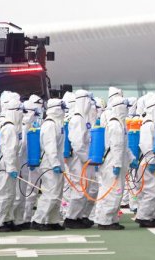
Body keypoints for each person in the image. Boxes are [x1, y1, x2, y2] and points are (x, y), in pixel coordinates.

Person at [94, 88, 129, 230]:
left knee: (114, 190)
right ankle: (105, 220)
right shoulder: (115, 124)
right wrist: (117, 163)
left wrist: (130, 158)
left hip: (114, 160)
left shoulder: (118, 122)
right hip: (113, 161)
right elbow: (116, 146)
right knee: (113, 191)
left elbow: (123, 146)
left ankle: (112, 218)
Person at [31, 98, 67, 231]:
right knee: (50, 193)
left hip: (57, 163)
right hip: (50, 164)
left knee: (57, 194)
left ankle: (53, 220)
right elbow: (49, 146)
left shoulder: (58, 123)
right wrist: (55, 163)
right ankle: (38, 220)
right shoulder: (50, 124)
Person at [0, 97, 23, 232]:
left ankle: (7, 219)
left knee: (10, 194)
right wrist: (11, 167)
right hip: (5, 164)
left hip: (7, 163)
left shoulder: (4, 123)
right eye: (20, 111)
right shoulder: (9, 127)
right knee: (2, 193)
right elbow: (8, 149)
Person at [136, 92, 155, 228]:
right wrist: (152, 162)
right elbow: (146, 145)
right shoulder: (148, 124)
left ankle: (151, 216)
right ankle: (144, 217)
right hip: (149, 162)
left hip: (152, 161)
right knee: (152, 191)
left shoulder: (153, 123)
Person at [64, 90, 94, 229]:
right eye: (87, 100)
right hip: (78, 159)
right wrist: (86, 158)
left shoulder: (83, 118)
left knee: (85, 187)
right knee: (79, 188)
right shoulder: (77, 119)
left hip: (84, 159)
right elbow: (77, 143)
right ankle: (71, 218)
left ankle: (79, 215)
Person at [14, 94, 43, 229]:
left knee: (30, 191)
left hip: (32, 162)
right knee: (22, 193)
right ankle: (20, 218)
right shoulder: (23, 125)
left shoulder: (34, 123)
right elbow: (20, 147)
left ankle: (26, 217)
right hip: (23, 164)